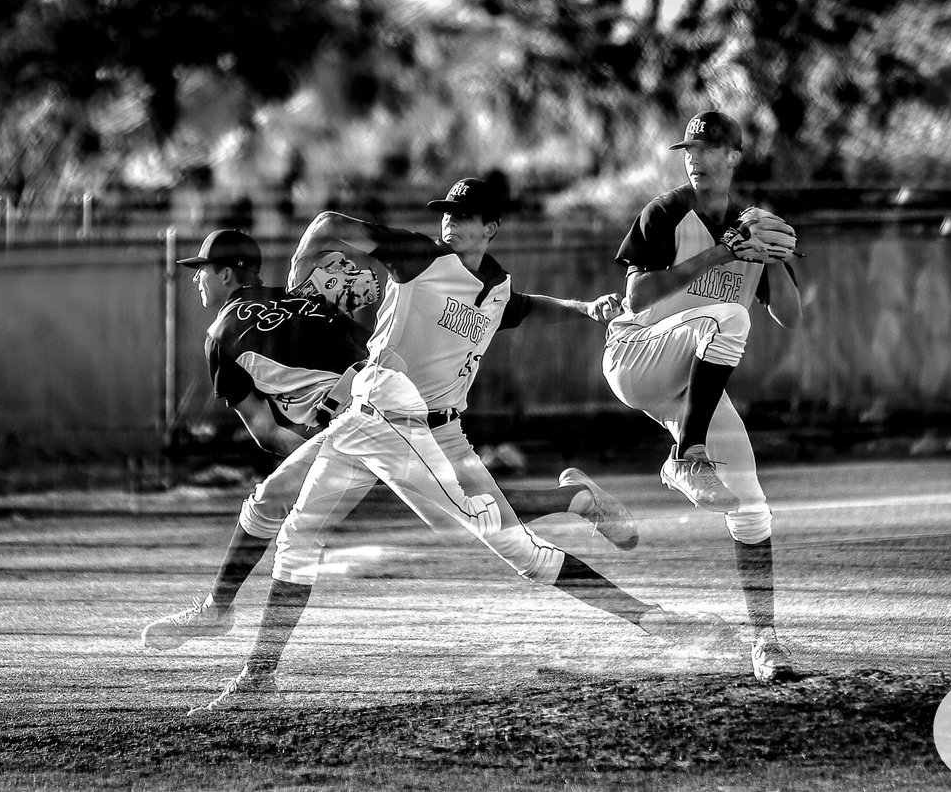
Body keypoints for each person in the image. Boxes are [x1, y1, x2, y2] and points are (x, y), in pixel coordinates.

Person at [174, 181, 737, 714]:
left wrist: (581, 308)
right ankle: (255, 671)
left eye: (464, 216)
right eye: (446, 211)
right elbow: (327, 224)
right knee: (290, 519)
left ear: (491, 227)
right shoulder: (420, 257)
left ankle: (648, 606)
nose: (450, 221)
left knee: (517, 551)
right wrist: (299, 282)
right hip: (376, 416)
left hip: (436, 430)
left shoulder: (495, 287)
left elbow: (517, 306)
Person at [599, 112, 803, 683]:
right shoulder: (665, 212)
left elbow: (790, 317)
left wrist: (776, 260)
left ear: (734, 156)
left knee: (752, 505)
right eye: (689, 147)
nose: (696, 156)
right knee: (731, 316)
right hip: (637, 356)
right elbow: (637, 297)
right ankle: (685, 454)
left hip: (692, 385)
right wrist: (719, 255)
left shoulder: (752, 225)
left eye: (709, 147)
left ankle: (765, 641)